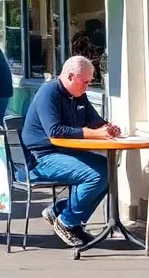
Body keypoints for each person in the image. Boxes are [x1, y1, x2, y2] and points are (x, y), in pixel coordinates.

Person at [21, 55, 120, 247]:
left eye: (90, 82)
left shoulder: (77, 94)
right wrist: (93, 134)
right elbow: (55, 131)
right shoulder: (49, 93)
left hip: (64, 153)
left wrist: (108, 127)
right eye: (84, 82)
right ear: (70, 76)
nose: (87, 86)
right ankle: (67, 222)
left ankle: (60, 211)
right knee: (95, 174)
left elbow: (93, 120)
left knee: (107, 170)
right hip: (39, 158)